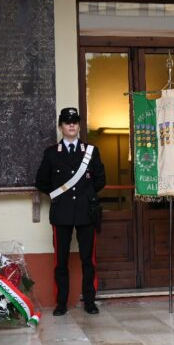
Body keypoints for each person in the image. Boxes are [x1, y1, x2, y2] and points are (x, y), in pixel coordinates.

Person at [35, 107, 106, 316]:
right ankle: (61, 303)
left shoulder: (91, 151)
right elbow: (41, 182)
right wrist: (58, 195)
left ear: (79, 125)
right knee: (61, 261)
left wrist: (87, 196)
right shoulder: (51, 153)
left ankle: (90, 302)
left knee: (88, 260)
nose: (71, 125)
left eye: (75, 121)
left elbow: (101, 179)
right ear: (61, 126)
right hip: (62, 213)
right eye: (67, 122)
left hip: (86, 213)